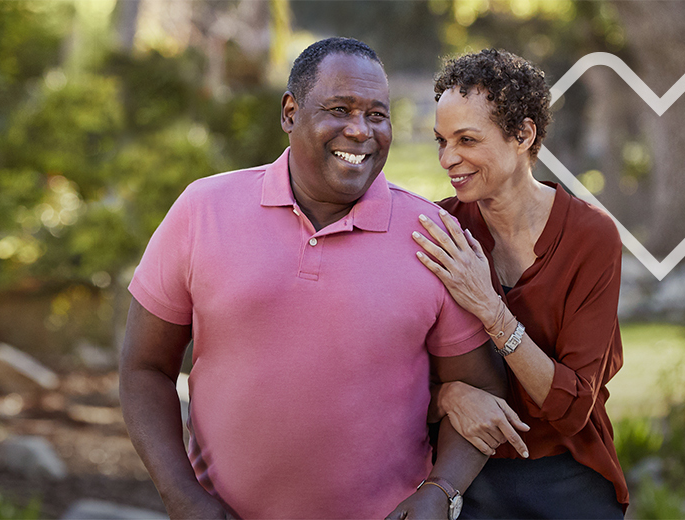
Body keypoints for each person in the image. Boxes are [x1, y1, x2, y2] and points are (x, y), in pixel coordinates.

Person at [119, 37, 509, 519]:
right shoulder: (203, 210)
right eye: (340, 108)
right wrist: (182, 497)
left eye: (376, 114)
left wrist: (442, 490)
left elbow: (483, 391)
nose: (360, 131)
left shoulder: (433, 236)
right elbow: (144, 368)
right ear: (289, 112)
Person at [412, 48, 629, 518]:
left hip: (567, 476)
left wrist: (490, 309)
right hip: (466, 474)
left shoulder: (591, 237)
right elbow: (394, 374)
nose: (449, 159)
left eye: (467, 140)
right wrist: (446, 395)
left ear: (523, 134)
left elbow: (571, 409)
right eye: (441, 141)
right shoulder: (441, 230)